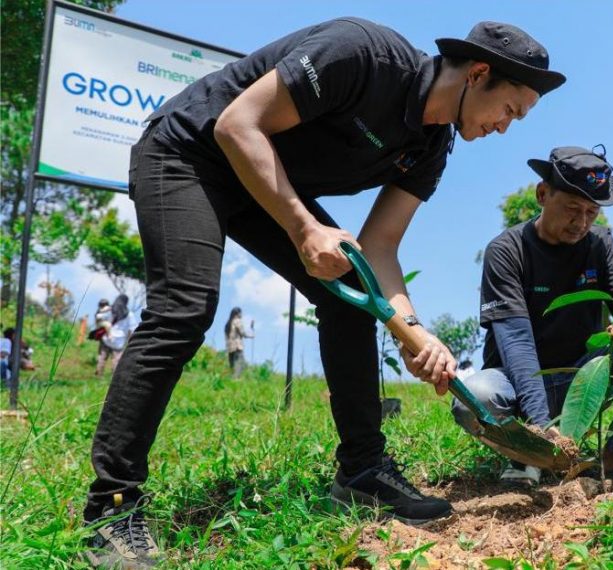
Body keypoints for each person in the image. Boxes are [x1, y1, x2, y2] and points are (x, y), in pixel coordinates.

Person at [82, 18, 565, 568]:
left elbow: (379, 248)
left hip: (263, 182)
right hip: (189, 152)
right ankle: (113, 506)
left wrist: (417, 335)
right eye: (511, 110)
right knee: (185, 307)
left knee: (348, 294)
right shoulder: (362, 55)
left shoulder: (430, 148)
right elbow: (237, 126)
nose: (506, 127)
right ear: (479, 74)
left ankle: (362, 473)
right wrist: (302, 227)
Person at [452, 146, 613, 487]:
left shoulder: (600, 243)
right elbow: (516, 341)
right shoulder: (506, 251)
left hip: (584, 377)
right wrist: (540, 427)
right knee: (474, 398)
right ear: (543, 194)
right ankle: (526, 454)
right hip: (517, 382)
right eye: (573, 209)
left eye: (592, 212)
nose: (582, 222)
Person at [96, 295, 138, 377]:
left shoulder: (110, 310)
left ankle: (98, 376)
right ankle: (113, 379)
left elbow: (99, 317)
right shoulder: (129, 315)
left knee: (102, 358)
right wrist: (129, 342)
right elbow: (132, 330)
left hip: (106, 339)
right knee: (116, 362)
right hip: (119, 343)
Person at [224, 308, 255, 377]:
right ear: (237, 314)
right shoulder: (237, 321)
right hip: (237, 346)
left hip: (229, 348)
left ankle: (231, 381)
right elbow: (242, 333)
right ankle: (236, 381)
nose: (241, 315)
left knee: (232, 366)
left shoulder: (228, 324)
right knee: (240, 365)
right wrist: (251, 335)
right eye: (240, 313)